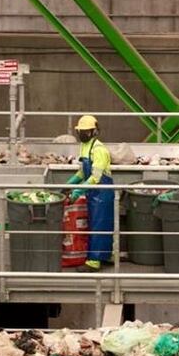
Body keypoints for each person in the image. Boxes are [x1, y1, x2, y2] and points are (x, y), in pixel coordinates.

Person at [66, 115, 113, 272]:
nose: (82, 134)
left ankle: (94, 261)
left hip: (102, 192)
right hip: (93, 193)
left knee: (99, 225)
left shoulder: (100, 150)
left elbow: (96, 177)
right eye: (81, 131)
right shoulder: (84, 147)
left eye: (86, 131)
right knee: (98, 224)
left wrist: (78, 190)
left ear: (94, 132)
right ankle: (105, 256)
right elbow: (82, 172)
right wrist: (68, 184)